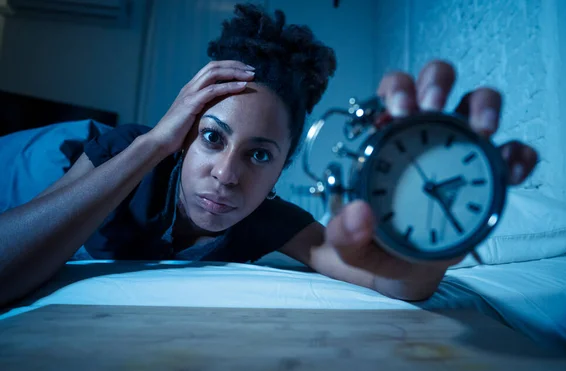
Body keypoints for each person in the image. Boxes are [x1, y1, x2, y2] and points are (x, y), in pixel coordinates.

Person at [0, 3, 538, 307]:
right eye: (212, 138)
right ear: (185, 135)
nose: (227, 175)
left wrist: (437, 234)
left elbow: (391, 282)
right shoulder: (128, 150)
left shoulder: (269, 219)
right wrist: (154, 143)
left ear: (281, 170)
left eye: (259, 157)